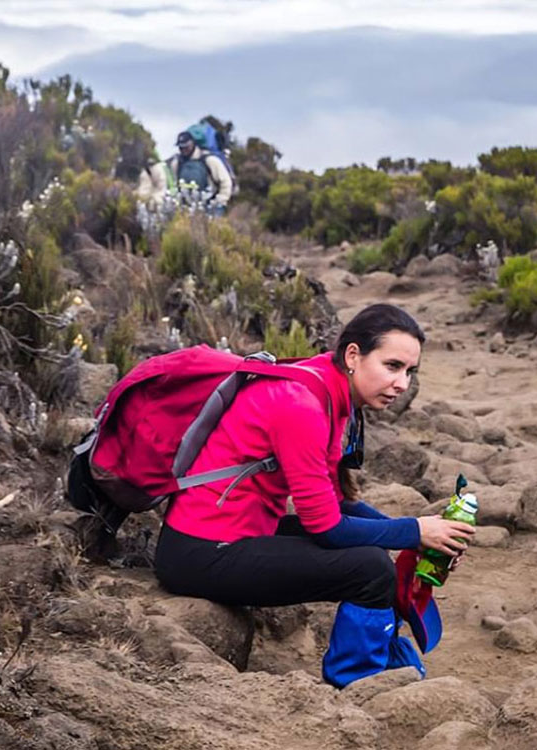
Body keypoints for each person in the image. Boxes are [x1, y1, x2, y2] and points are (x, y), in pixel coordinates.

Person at [153, 303, 474, 686]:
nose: (403, 384)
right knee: (370, 570)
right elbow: (327, 528)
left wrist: (419, 535)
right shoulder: (302, 405)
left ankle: (380, 656)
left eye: (410, 371)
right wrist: (413, 530)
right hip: (200, 553)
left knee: (375, 551)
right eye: (392, 366)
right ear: (353, 355)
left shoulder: (326, 388)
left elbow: (336, 503)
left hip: (241, 531)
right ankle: (359, 681)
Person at [145, 125, 235, 212]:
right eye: (181, 147)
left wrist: (219, 202)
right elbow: (173, 183)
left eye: (186, 147)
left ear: (193, 144)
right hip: (184, 209)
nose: (183, 150)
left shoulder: (209, 160)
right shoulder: (177, 162)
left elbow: (226, 182)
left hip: (210, 208)